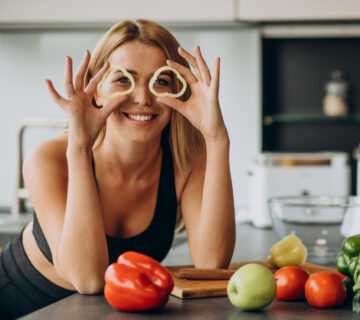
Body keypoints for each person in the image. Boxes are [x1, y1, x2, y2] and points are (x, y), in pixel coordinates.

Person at [0, 19, 236, 319]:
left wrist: (217, 139)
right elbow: (86, 279)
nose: (142, 98)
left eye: (160, 81)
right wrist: (80, 146)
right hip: (20, 306)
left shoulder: (186, 161)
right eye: (124, 79)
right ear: (95, 91)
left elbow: (212, 265)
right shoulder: (49, 159)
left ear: (177, 93)